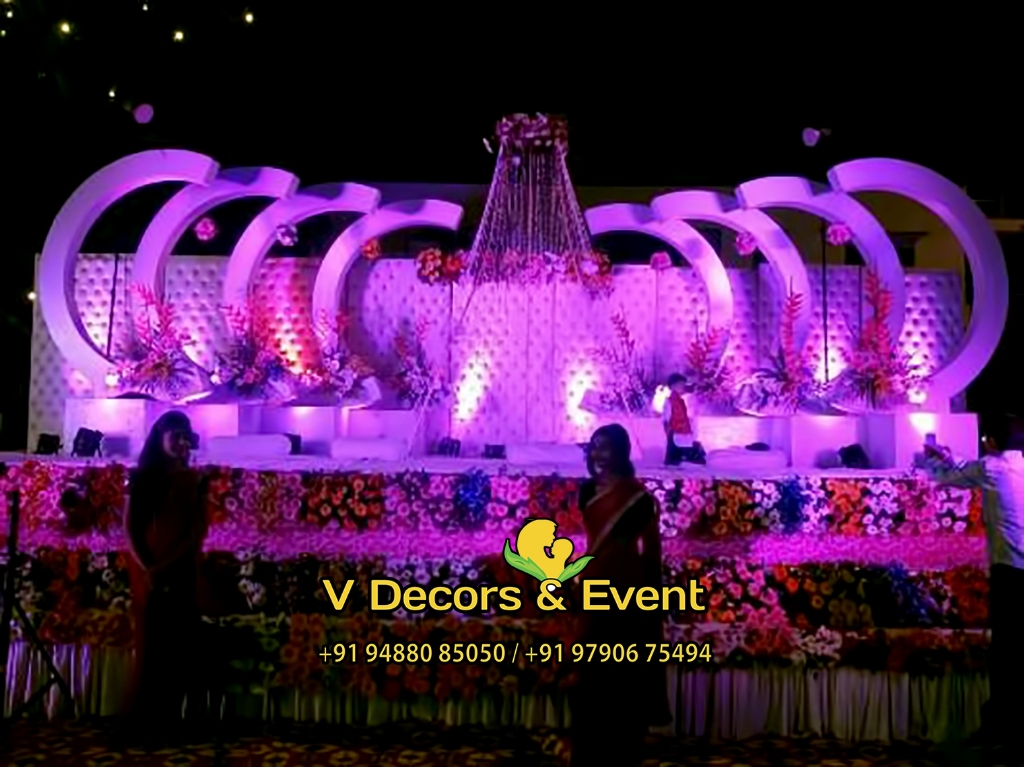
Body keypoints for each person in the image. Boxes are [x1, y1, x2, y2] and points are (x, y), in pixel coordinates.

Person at [571, 424, 671, 767]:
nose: (597, 454)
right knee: (591, 671)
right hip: (593, 585)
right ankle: (589, 751)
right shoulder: (587, 491)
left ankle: (624, 751)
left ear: (621, 452)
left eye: (605, 447)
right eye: (594, 446)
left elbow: (650, 552)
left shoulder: (638, 498)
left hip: (627, 590)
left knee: (624, 672)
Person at [926, 417, 1024, 757]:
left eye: (985, 439)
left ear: (992, 442)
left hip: (1010, 571)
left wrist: (934, 459)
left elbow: (947, 477)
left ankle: (1001, 731)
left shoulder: (993, 468)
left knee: (1007, 654)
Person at [122, 411, 211, 746]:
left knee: (178, 647)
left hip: (179, 568)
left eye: (186, 437)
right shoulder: (141, 477)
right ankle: (143, 723)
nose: (182, 443)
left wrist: (164, 566)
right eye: (176, 437)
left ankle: (171, 721)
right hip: (146, 570)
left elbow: (197, 530)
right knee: (151, 647)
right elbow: (129, 527)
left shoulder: (196, 480)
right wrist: (147, 568)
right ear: (160, 438)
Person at [663, 374, 703, 465]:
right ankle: (674, 460)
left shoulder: (682, 400)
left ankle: (679, 458)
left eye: (683, 384)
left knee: (682, 444)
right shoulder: (670, 401)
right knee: (675, 446)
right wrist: (668, 426)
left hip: (682, 429)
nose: (682, 387)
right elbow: (667, 416)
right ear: (672, 386)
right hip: (675, 429)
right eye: (680, 384)